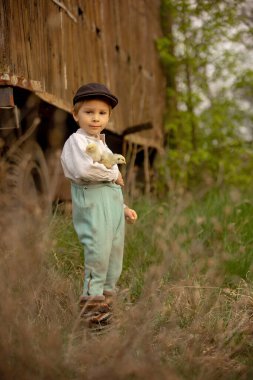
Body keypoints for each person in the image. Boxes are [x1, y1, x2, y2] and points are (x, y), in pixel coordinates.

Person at [61, 83, 137, 324]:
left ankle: (106, 303)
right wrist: (112, 174)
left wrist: (122, 207)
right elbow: (84, 170)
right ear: (75, 115)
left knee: (115, 256)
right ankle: (92, 307)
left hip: (111, 208)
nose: (96, 118)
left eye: (102, 113)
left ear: (108, 117)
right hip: (93, 206)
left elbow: (113, 184)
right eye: (89, 112)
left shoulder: (103, 145)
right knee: (98, 252)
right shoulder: (77, 142)